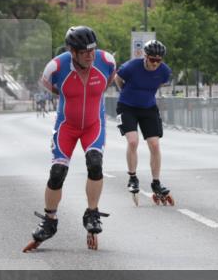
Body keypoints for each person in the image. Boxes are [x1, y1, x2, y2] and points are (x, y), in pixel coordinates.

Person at [23, 26, 117, 252]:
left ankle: (92, 212)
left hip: (94, 124)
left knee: (95, 164)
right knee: (57, 174)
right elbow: (51, 88)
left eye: (92, 50)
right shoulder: (55, 67)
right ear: (71, 51)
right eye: (84, 51)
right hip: (67, 126)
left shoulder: (107, 62)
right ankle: (49, 220)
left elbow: (109, 81)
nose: (90, 55)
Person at [114, 39, 174, 205]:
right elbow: (118, 79)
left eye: (158, 60)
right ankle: (133, 177)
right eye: (152, 59)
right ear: (145, 56)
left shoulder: (164, 71)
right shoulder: (131, 67)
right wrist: (125, 92)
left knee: (154, 144)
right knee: (133, 141)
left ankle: (156, 182)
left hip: (148, 108)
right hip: (127, 107)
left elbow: (160, 83)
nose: (155, 63)